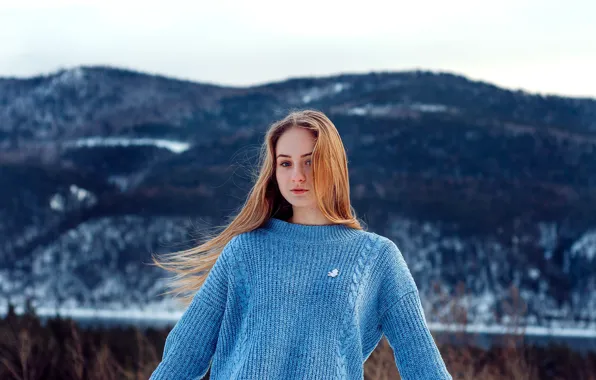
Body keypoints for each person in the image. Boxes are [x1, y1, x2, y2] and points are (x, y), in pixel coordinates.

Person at [149, 109, 452, 379]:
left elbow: (423, 364)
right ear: (274, 172)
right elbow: (183, 357)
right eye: (285, 163)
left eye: (310, 162)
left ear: (332, 165)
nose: (297, 176)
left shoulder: (377, 258)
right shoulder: (245, 251)